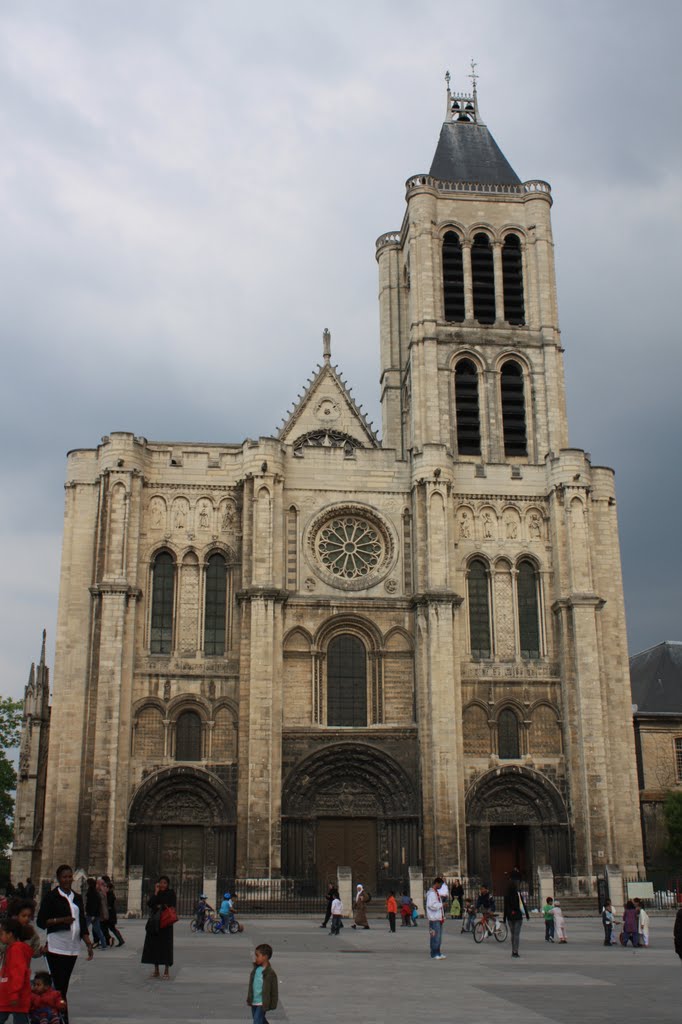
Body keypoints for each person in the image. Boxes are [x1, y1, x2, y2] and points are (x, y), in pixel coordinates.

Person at [36, 864, 93, 1023]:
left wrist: (88, 942)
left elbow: (81, 921)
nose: (67, 879)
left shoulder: (77, 897)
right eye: (64, 877)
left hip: (72, 948)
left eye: (69, 877)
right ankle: (61, 1019)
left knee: (63, 987)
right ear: (58, 879)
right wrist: (62, 920)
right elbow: (41, 922)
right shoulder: (51, 897)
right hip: (56, 947)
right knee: (60, 988)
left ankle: (55, 1016)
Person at [141, 875, 176, 980]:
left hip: (166, 923)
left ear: (168, 884)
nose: (162, 885)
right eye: (160, 883)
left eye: (164, 883)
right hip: (155, 923)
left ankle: (166, 970)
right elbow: (150, 903)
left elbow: (171, 904)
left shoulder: (171, 893)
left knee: (166, 947)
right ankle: (156, 970)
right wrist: (156, 893)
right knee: (154, 946)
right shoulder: (157, 893)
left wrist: (159, 905)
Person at [0, 918, 32, 1024]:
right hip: (10, 994)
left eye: (2, 933)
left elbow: (18, 973)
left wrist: (14, 994)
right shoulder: (12, 948)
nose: (0, 936)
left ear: (10, 934)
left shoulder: (16, 949)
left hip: (15, 995)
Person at [246, 943, 278, 1024]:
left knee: (257, 1021)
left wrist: (273, 1003)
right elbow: (252, 986)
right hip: (254, 1000)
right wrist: (250, 998)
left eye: (257, 956)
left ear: (265, 957)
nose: (255, 958)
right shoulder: (256, 970)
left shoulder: (270, 973)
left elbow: (274, 990)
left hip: (262, 1002)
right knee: (260, 1020)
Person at [503, 881, 529, 959]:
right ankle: (515, 951)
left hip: (510, 917)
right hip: (518, 916)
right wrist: (527, 914)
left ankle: (513, 950)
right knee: (516, 934)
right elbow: (523, 905)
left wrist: (504, 918)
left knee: (512, 934)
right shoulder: (518, 894)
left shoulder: (506, 896)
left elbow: (505, 907)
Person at [426, 877, 445, 960]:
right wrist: (441, 905)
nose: (441, 886)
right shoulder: (431, 894)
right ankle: (434, 953)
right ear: (436, 883)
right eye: (440, 884)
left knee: (439, 937)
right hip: (434, 918)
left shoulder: (436, 893)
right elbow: (431, 905)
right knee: (435, 936)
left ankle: (438, 951)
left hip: (438, 918)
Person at [84, 879, 106, 950]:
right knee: (98, 930)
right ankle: (104, 945)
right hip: (94, 914)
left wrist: (93, 915)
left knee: (83, 929)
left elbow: (94, 905)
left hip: (91, 914)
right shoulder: (95, 892)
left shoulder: (92, 892)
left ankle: (75, 944)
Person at [105, 881, 124, 947]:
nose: (105, 888)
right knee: (111, 928)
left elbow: (109, 905)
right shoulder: (110, 894)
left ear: (109, 888)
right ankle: (119, 940)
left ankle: (119, 940)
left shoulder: (110, 895)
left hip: (110, 915)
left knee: (111, 928)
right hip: (111, 914)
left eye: (106, 887)